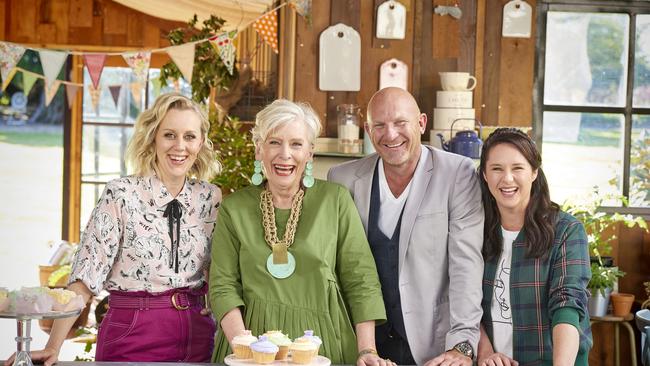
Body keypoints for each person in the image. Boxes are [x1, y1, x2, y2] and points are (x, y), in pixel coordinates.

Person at [5, 93, 222, 365]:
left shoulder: (210, 198)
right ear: (153, 137)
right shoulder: (121, 194)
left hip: (198, 336)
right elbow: (86, 277)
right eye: (169, 135)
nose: (180, 146)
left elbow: (220, 273)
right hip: (133, 333)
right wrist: (53, 346)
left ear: (201, 142)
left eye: (189, 136)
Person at [209, 99, 389, 366]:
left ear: (310, 153)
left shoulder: (335, 200)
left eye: (296, 144)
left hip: (325, 344)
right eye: (273, 142)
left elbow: (361, 278)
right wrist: (248, 352)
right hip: (251, 344)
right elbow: (222, 287)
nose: (285, 154)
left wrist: (367, 351)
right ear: (259, 150)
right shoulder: (234, 208)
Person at [328, 87, 484, 366]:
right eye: (379, 125)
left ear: (421, 123)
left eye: (401, 123)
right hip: (360, 346)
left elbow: (466, 266)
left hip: (433, 347)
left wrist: (462, 345)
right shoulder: (343, 178)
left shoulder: (457, 174)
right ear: (367, 129)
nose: (390, 134)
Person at [476, 128, 592, 366]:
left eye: (517, 168)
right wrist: (485, 353)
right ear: (485, 175)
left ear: (534, 172)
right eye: (497, 168)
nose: (507, 178)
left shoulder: (566, 230)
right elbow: (464, 300)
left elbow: (567, 305)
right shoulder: (474, 229)